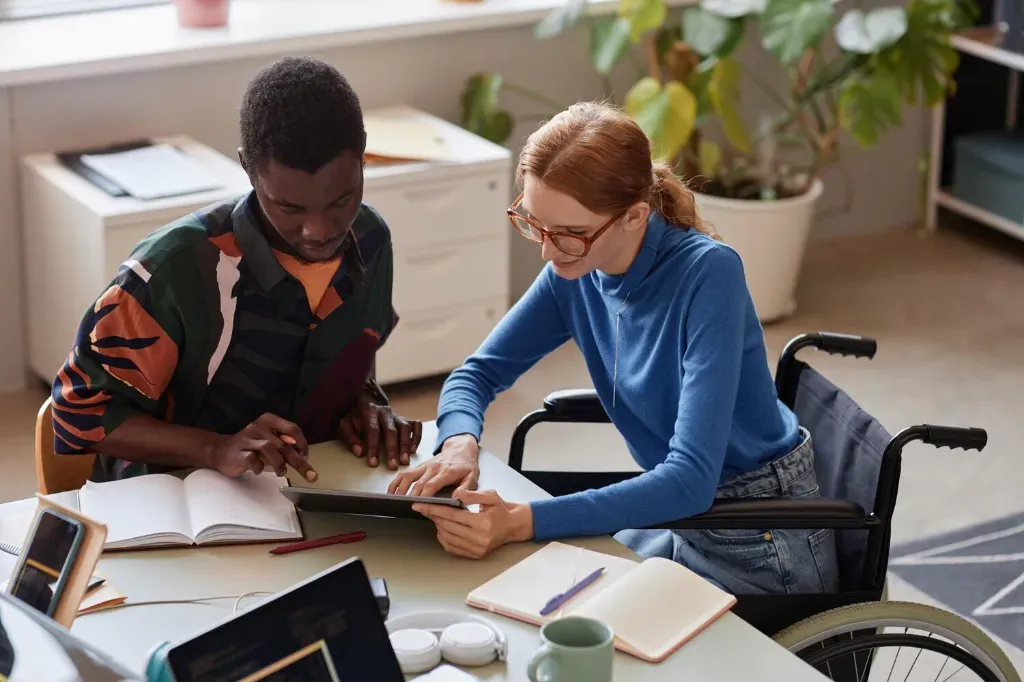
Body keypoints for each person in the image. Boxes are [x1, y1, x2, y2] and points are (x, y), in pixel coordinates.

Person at [388, 101, 841, 595]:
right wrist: (459, 444)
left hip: (759, 530)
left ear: (634, 216)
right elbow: (475, 375)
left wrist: (521, 520)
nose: (547, 249)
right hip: (677, 514)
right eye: (533, 222)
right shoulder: (574, 268)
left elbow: (689, 480)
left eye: (572, 233)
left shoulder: (709, 274)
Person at [50, 57, 422, 483]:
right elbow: (76, 411)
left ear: (362, 157)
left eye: (341, 200)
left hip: (313, 491)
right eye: (289, 207)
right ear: (248, 168)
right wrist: (213, 448)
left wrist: (366, 402)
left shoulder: (370, 239)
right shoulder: (173, 269)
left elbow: (355, 357)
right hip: (175, 506)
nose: (319, 231)